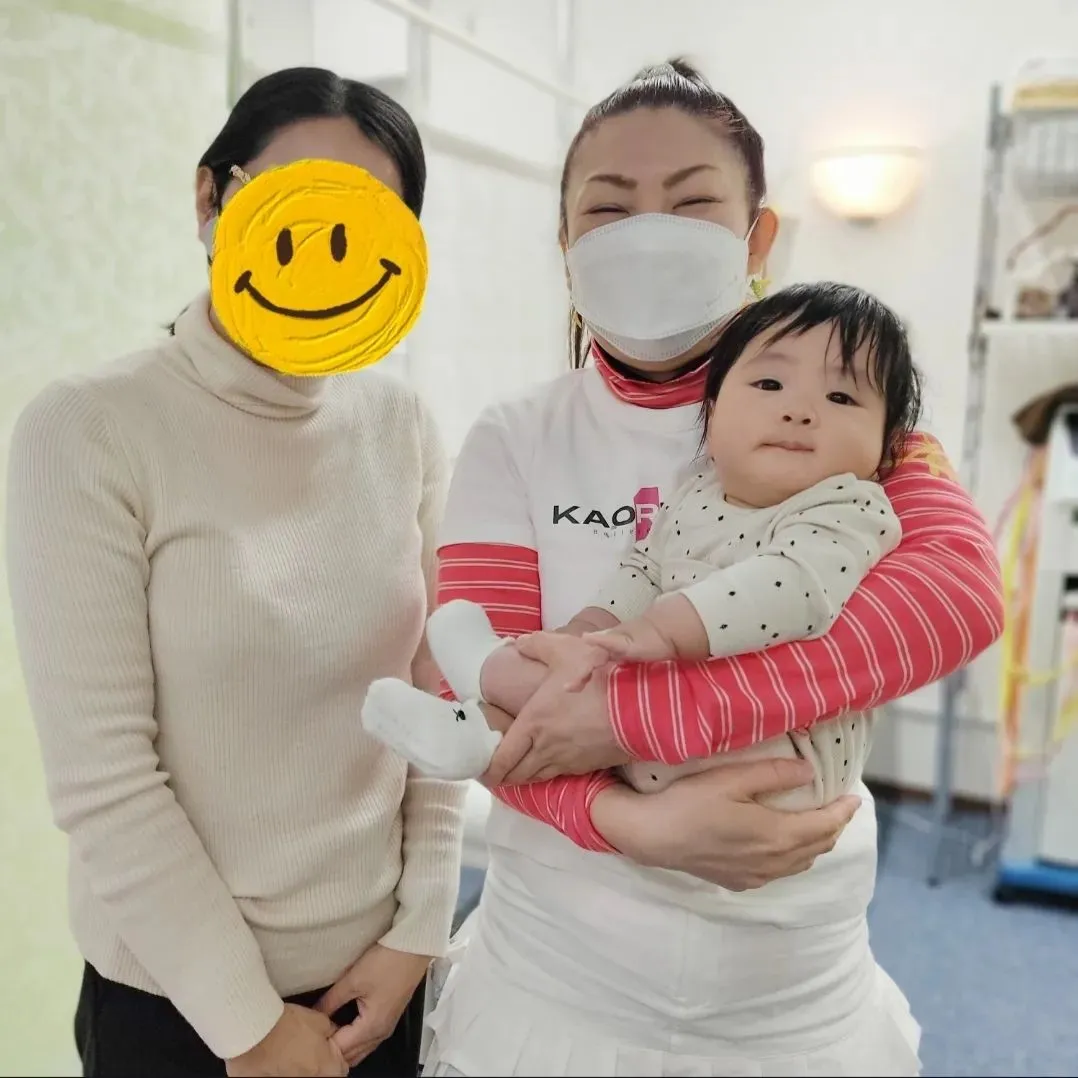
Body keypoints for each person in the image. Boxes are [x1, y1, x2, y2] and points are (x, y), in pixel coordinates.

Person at [413, 59, 1004, 1076]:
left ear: (757, 237)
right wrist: (630, 821)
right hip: (556, 976)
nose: (648, 233)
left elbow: (956, 596)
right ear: (565, 245)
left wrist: (633, 720)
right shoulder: (514, 435)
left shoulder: (841, 408)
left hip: (791, 995)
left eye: (690, 203)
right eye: (609, 208)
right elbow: (484, 691)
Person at [5, 67, 464, 1078]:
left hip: (380, 981)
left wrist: (419, 930)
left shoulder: (401, 425)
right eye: (292, 202)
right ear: (211, 198)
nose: (322, 247)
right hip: (179, 1007)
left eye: (363, 222)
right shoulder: (88, 430)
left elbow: (440, 694)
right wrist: (251, 1026)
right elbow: (104, 778)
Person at [362, 282, 917, 815]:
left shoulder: (850, 505)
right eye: (770, 384)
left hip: (774, 753)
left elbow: (790, 586)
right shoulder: (698, 493)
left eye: (841, 396)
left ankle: (487, 668)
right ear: (713, 409)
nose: (799, 411)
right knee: (571, 688)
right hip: (654, 746)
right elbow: (643, 569)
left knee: (589, 691)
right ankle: (474, 736)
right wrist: (584, 633)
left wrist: (655, 633)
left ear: (888, 445)